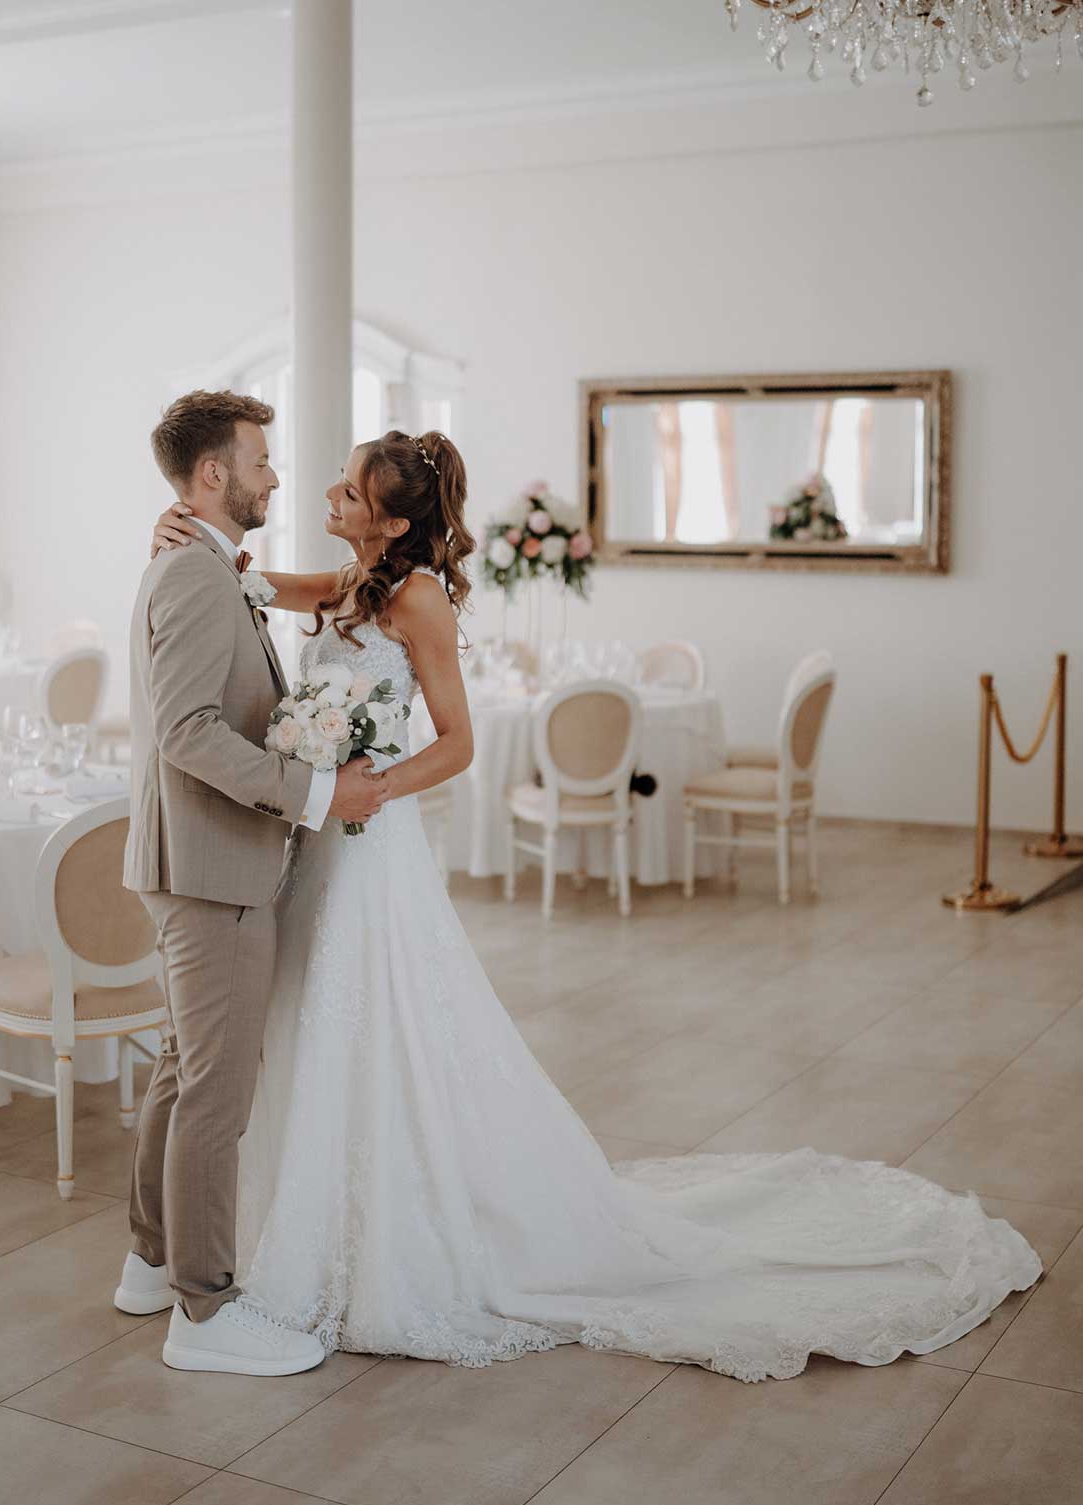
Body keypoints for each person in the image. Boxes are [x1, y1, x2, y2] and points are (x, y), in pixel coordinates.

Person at [144, 422, 1042, 1381]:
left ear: (395, 518)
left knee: (377, 1023)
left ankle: (392, 1225)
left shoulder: (417, 599)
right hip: (321, 844)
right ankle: (279, 1224)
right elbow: (265, 585)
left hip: (369, 841)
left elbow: (458, 746)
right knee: (305, 1023)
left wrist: (371, 789)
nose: (327, 496)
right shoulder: (354, 584)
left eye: (348, 492)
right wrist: (197, 541)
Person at [119, 390, 389, 1378]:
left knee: (184, 1072)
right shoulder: (191, 574)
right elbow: (188, 731)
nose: (276, 475)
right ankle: (203, 1311)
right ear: (211, 475)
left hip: (192, 862)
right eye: (261, 460)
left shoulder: (200, 562)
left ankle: (150, 1263)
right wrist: (313, 791)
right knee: (217, 1100)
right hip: (212, 866)